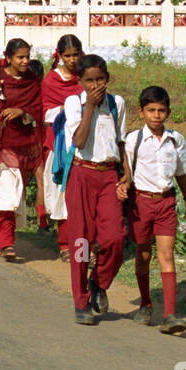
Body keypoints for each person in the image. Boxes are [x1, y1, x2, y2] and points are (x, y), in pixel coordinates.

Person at [118, 86, 186, 332]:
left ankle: (170, 314)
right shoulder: (133, 140)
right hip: (141, 203)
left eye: (161, 110)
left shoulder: (176, 139)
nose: (156, 115)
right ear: (141, 112)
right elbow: (126, 171)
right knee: (143, 253)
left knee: (166, 254)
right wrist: (122, 187)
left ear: (168, 112)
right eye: (151, 110)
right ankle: (146, 302)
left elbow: (180, 171)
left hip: (166, 201)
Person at [63, 54, 127, 324]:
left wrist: (127, 176)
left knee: (115, 238)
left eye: (100, 79)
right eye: (89, 80)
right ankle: (80, 302)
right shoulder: (73, 103)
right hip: (81, 175)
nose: (95, 85)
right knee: (80, 241)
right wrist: (89, 106)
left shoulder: (117, 103)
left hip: (108, 175)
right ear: (80, 82)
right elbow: (78, 140)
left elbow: (121, 143)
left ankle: (98, 282)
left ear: (108, 78)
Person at [0, 39, 44, 259]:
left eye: (28, 56)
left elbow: (38, 108)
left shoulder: (32, 81)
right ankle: (7, 243)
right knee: (7, 189)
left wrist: (21, 111)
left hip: (23, 141)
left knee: (14, 191)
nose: (25, 61)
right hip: (0, 141)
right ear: (8, 58)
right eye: (20, 57)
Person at [41, 35, 85, 262]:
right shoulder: (51, 81)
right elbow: (45, 113)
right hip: (59, 144)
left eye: (75, 55)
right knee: (62, 196)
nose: (72, 60)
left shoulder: (87, 76)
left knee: (83, 200)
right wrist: (67, 108)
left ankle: (84, 247)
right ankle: (65, 244)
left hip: (84, 145)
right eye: (67, 55)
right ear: (59, 56)